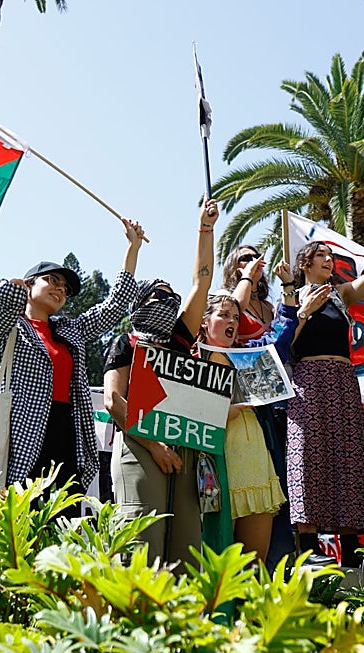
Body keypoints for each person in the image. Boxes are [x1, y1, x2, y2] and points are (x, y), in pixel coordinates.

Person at [0, 217, 146, 513]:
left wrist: (133, 248)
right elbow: (0, 317)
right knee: (21, 518)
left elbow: (113, 307)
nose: (60, 290)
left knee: (63, 517)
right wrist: (10, 291)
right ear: (29, 285)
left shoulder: (69, 329)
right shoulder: (14, 329)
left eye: (65, 289)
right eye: (52, 281)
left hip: (68, 433)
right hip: (23, 433)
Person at [102, 199, 219, 566]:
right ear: (141, 303)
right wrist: (154, 447)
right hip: (139, 447)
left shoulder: (182, 339)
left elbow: (202, 280)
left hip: (183, 450)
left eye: (173, 297)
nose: (168, 301)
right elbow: (112, 400)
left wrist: (205, 228)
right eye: (159, 294)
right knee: (141, 541)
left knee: (186, 550)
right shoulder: (127, 343)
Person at [286, 206, 364, 562]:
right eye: (322, 255)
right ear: (305, 262)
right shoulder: (291, 298)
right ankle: (310, 547)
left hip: (342, 381)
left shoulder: (340, 294)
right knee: (307, 457)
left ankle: (351, 548)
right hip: (308, 381)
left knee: (346, 457)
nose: (329, 261)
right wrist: (303, 312)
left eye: (332, 257)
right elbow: (285, 344)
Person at [196, 285, 305, 562]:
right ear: (204, 322)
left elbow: (280, 339)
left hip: (255, 461)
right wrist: (226, 411)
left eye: (235, 317)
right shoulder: (191, 361)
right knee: (217, 560)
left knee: (255, 564)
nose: (232, 321)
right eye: (223, 315)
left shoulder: (248, 356)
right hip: (216, 465)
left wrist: (289, 298)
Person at [221, 245, 275, 342]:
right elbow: (236, 308)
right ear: (233, 266)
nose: (255, 261)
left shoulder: (268, 306)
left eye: (257, 257)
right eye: (247, 258)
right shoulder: (224, 295)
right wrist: (247, 275)